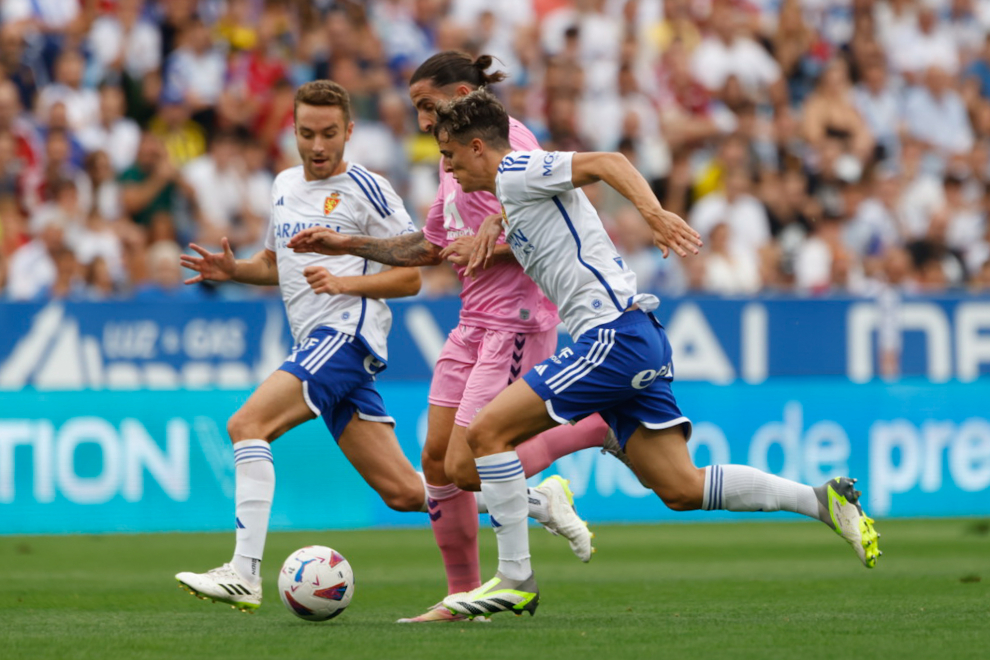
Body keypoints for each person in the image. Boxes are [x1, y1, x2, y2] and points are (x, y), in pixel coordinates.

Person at [430, 88, 878, 618]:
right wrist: (492, 223)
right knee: (681, 487)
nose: (447, 167)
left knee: (485, 434)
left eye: (450, 155)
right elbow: (540, 216)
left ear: (478, 147)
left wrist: (654, 213)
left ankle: (515, 579)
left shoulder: (517, 169)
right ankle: (819, 499)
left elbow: (607, 161)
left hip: (610, 336)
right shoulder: (512, 191)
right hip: (637, 336)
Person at [173, 80, 583, 614]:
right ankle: (537, 501)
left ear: (348, 131)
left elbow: (412, 275)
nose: (318, 146)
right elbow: (277, 266)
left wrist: (347, 284)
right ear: (291, 132)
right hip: (316, 344)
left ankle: (244, 573)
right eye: (306, 134)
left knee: (247, 425)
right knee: (410, 493)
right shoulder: (281, 186)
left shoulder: (369, 188)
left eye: (328, 134)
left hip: (345, 338)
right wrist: (233, 272)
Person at [285, 52, 619, 623]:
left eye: (426, 106)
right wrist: (347, 246)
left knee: (470, 465)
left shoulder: (509, 146)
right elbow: (432, 246)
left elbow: (553, 229)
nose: (421, 122)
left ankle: (589, 430)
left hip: (516, 320)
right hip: (472, 320)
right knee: (436, 464)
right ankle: (462, 596)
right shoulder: (451, 154)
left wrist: (492, 245)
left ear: (463, 92)